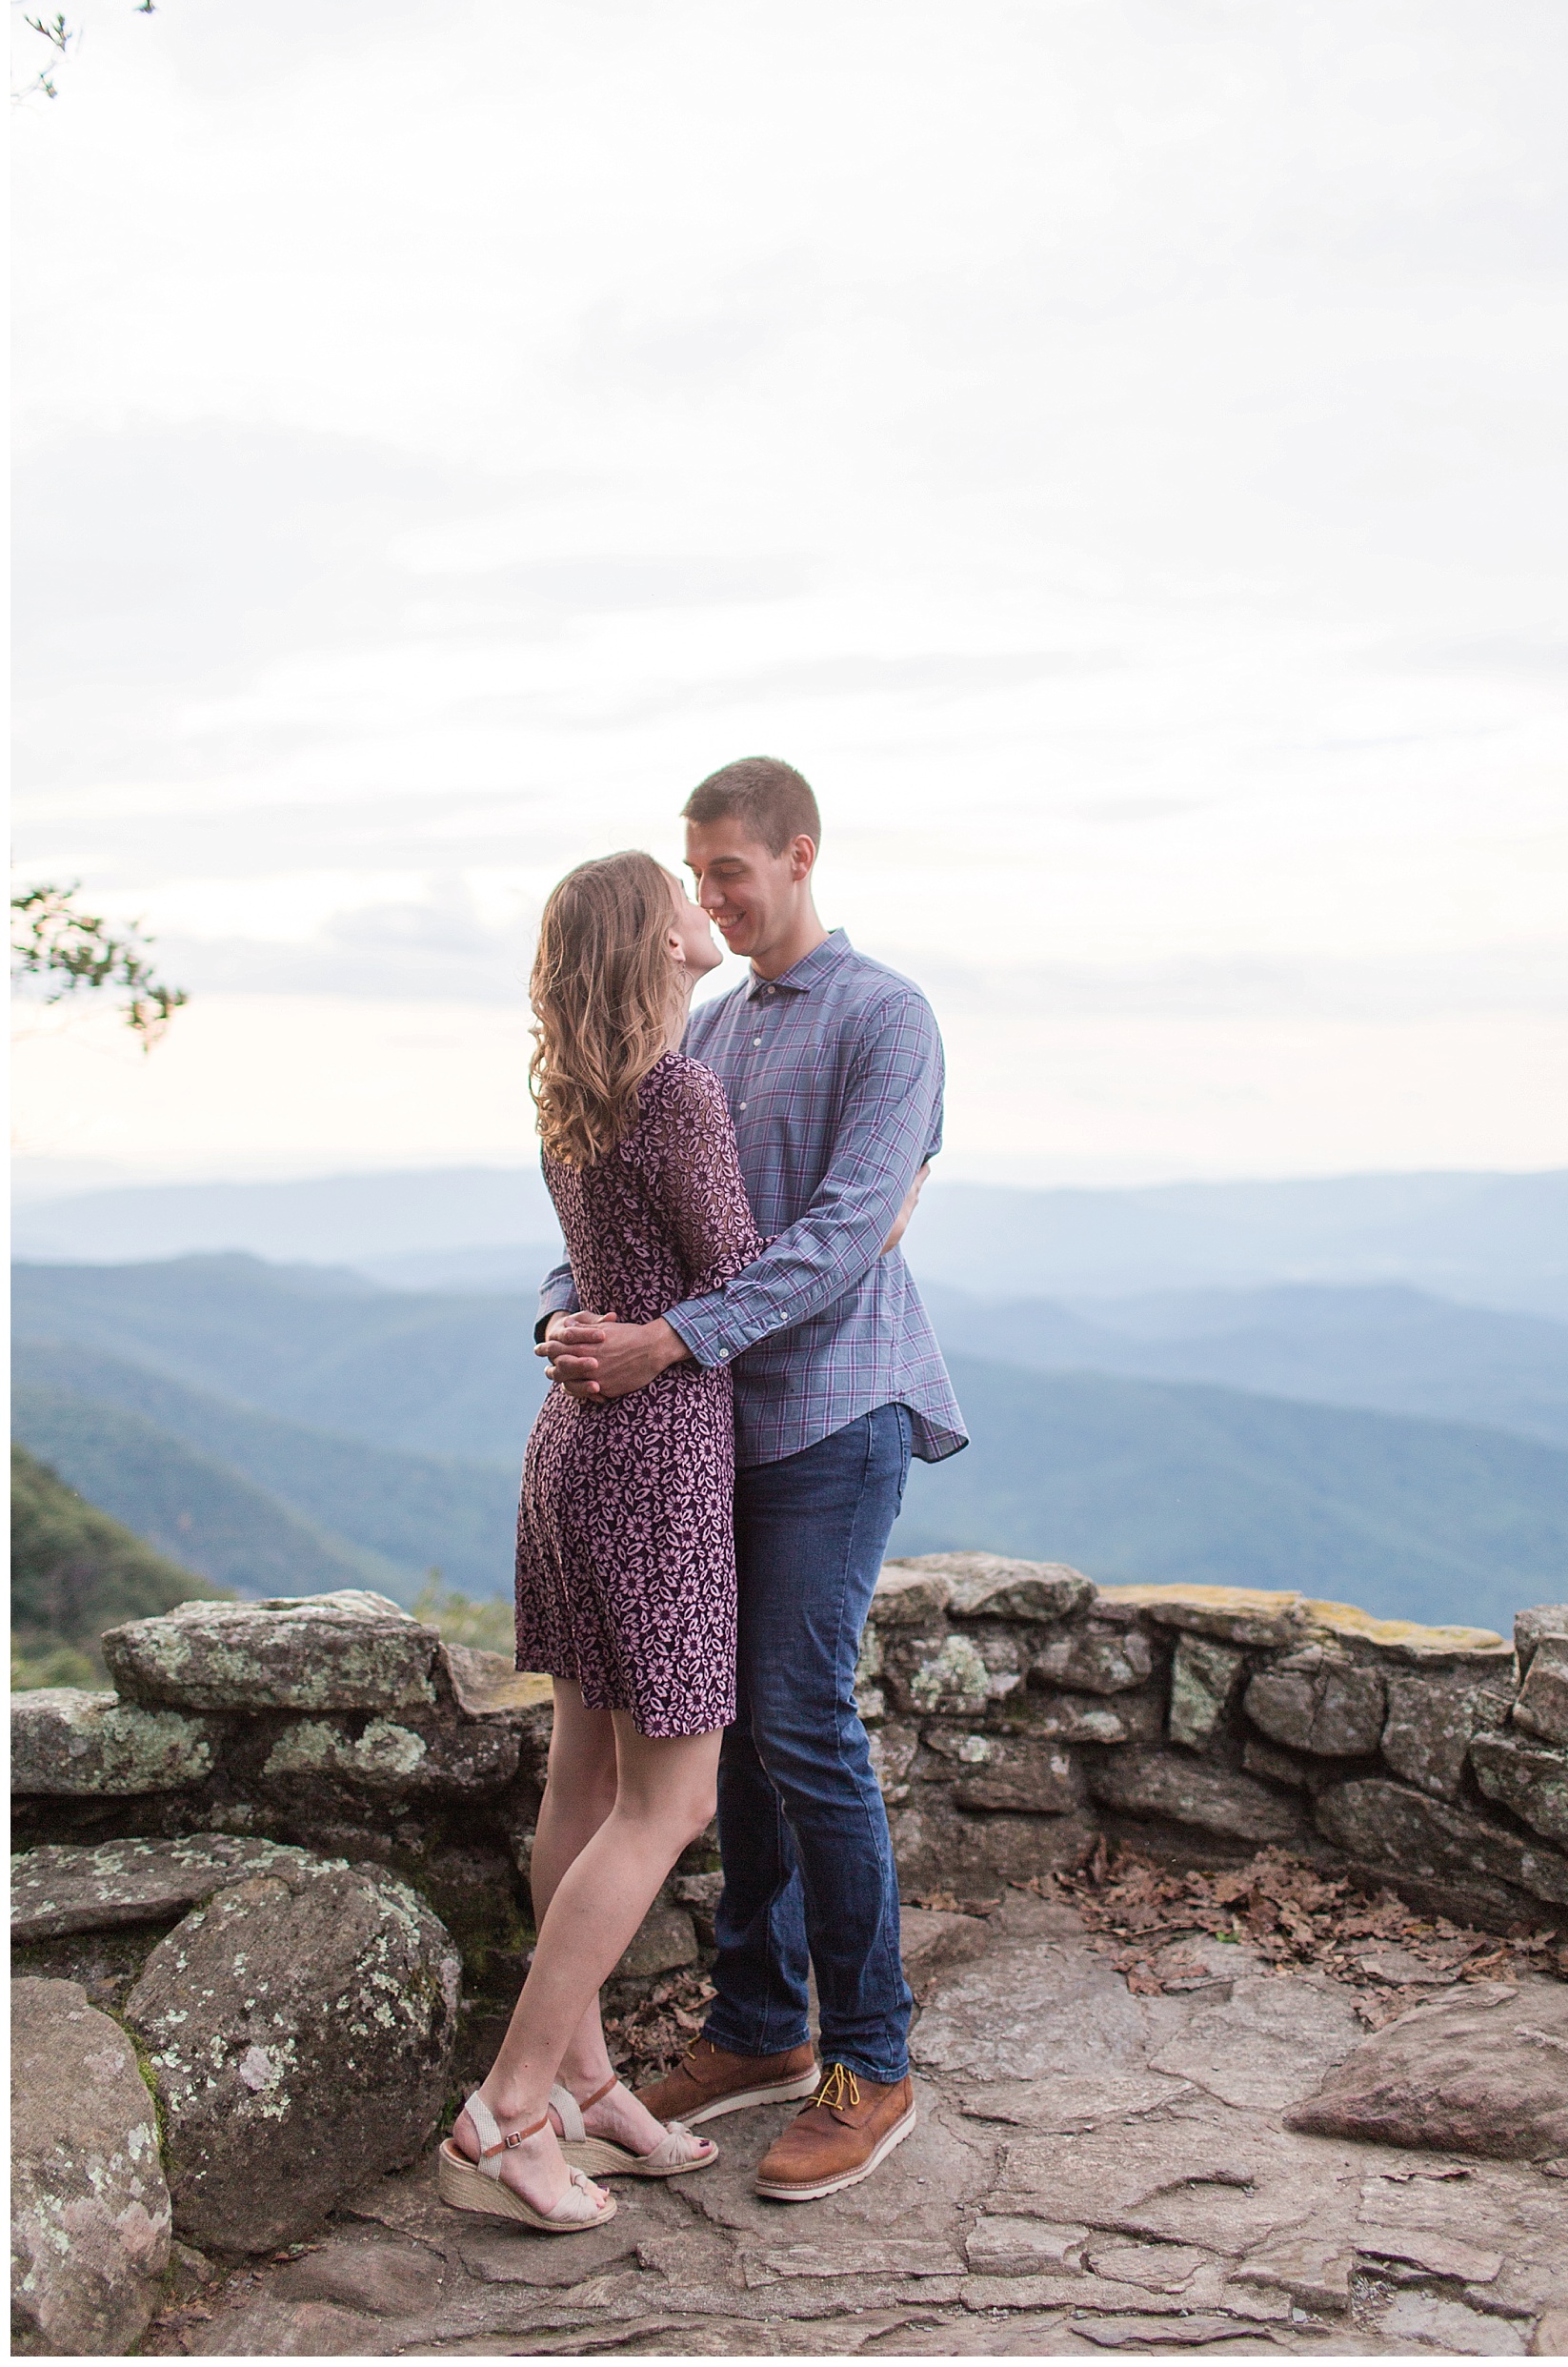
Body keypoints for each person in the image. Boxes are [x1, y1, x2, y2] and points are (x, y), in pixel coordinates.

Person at [539, 757, 966, 2203]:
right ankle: (757, 2023)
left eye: (729, 869)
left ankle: (872, 2057)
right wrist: (570, 1316)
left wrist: (669, 1335)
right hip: (700, 1432)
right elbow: (631, 1223)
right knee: (732, 1737)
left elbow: (853, 1227)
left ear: (797, 854)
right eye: (694, 874)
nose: (710, 895)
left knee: (797, 1716)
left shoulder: (885, 1014)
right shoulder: (703, 1030)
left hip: (835, 1417)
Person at [438, 849, 759, 2233]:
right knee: (670, 1801)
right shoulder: (677, 1090)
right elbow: (743, 1273)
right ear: (655, 943)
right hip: (660, 1459)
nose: (704, 906)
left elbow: (617, 1273)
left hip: (570, 1453)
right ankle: (510, 2106)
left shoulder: (574, 1096)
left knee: (583, 1776)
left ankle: (583, 2079)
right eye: (680, 896)